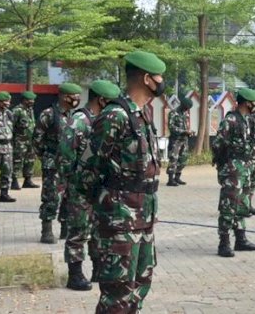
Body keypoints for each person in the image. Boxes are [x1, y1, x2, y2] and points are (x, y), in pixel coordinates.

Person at [75, 50, 164, 313]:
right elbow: (88, 166)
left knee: (138, 287)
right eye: (159, 76)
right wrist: (100, 208)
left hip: (143, 219)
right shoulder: (116, 115)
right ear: (147, 79)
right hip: (118, 221)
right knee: (117, 293)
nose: (162, 81)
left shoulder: (142, 115)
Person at [60, 80, 120, 292]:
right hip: (80, 187)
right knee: (78, 229)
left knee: (98, 230)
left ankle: (98, 269)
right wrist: (72, 181)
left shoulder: (102, 120)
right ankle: (74, 274)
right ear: (101, 99)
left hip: (100, 186)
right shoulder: (79, 120)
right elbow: (66, 153)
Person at [212, 88, 255, 258]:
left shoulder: (248, 120)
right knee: (229, 205)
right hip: (233, 167)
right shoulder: (231, 120)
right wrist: (224, 164)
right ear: (247, 103)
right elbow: (218, 144)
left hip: (246, 167)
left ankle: (240, 239)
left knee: (242, 205)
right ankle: (224, 242)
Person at [35, 82, 82, 244]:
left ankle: (65, 227)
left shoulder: (73, 116)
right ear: (63, 96)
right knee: (51, 196)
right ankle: (46, 230)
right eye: (73, 97)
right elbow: (37, 139)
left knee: (69, 197)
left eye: (77, 97)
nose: (76, 100)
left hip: (70, 164)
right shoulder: (48, 114)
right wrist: (46, 157)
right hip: (53, 163)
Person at [11, 91, 38, 190]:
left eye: (33, 100)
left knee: (30, 160)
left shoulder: (30, 110)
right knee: (17, 160)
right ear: (24, 100)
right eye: (30, 100)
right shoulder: (17, 110)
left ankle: (28, 180)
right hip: (20, 140)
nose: (32, 101)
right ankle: (14, 180)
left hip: (30, 140)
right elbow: (11, 125)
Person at [165, 97, 194, 187]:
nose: (187, 109)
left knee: (183, 160)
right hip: (175, 141)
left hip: (184, 140)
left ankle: (177, 177)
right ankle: (170, 179)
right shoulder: (173, 113)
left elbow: (185, 126)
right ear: (182, 105)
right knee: (173, 159)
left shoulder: (184, 114)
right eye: (186, 107)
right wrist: (183, 131)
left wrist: (189, 132)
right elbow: (171, 127)